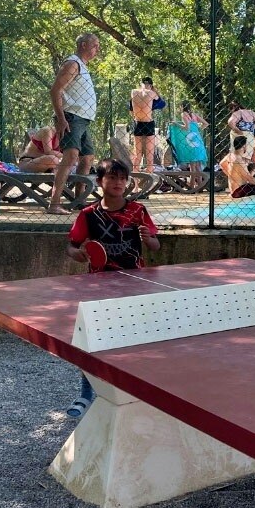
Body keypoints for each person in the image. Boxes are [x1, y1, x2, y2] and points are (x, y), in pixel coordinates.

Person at [64, 157, 160, 417]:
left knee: (132, 338)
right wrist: (77, 254)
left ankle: (131, 391)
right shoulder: (88, 214)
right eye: (112, 177)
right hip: (99, 286)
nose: (118, 182)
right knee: (92, 341)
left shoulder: (138, 211)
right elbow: (71, 246)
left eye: (122, 178)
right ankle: (86, 394)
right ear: (99, 181)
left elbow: (155, 246)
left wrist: (149, 239)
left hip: (134, 284)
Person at [47, 32, 100, 215]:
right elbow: (55, 91)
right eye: (95, 45)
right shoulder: (72, 64)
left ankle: (79, 201)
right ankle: (54, 204)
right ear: (83, 45)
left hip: (83, 119)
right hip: (71, 117)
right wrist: (61, 119)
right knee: (70, 157)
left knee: (87, 158)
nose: (97, 49)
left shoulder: (83, 66)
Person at [220, 135, 255, 202]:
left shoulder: (231, 155)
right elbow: (249, 178)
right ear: (244, 146)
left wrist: (232, 175)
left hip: (236, 188)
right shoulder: (239, 160)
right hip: (239, 191)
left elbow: (222, 164)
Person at [130, 78, 164, 172]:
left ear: (140, 84)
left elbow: (131, 109)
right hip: (148, 123)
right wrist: (154, 91)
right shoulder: (152, 93)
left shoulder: (133, 92)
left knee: (137, 154)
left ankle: (135, 179)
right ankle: (150, 176)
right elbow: (162, 103)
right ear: (151, 85)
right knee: (149, 155)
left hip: (138, 123)